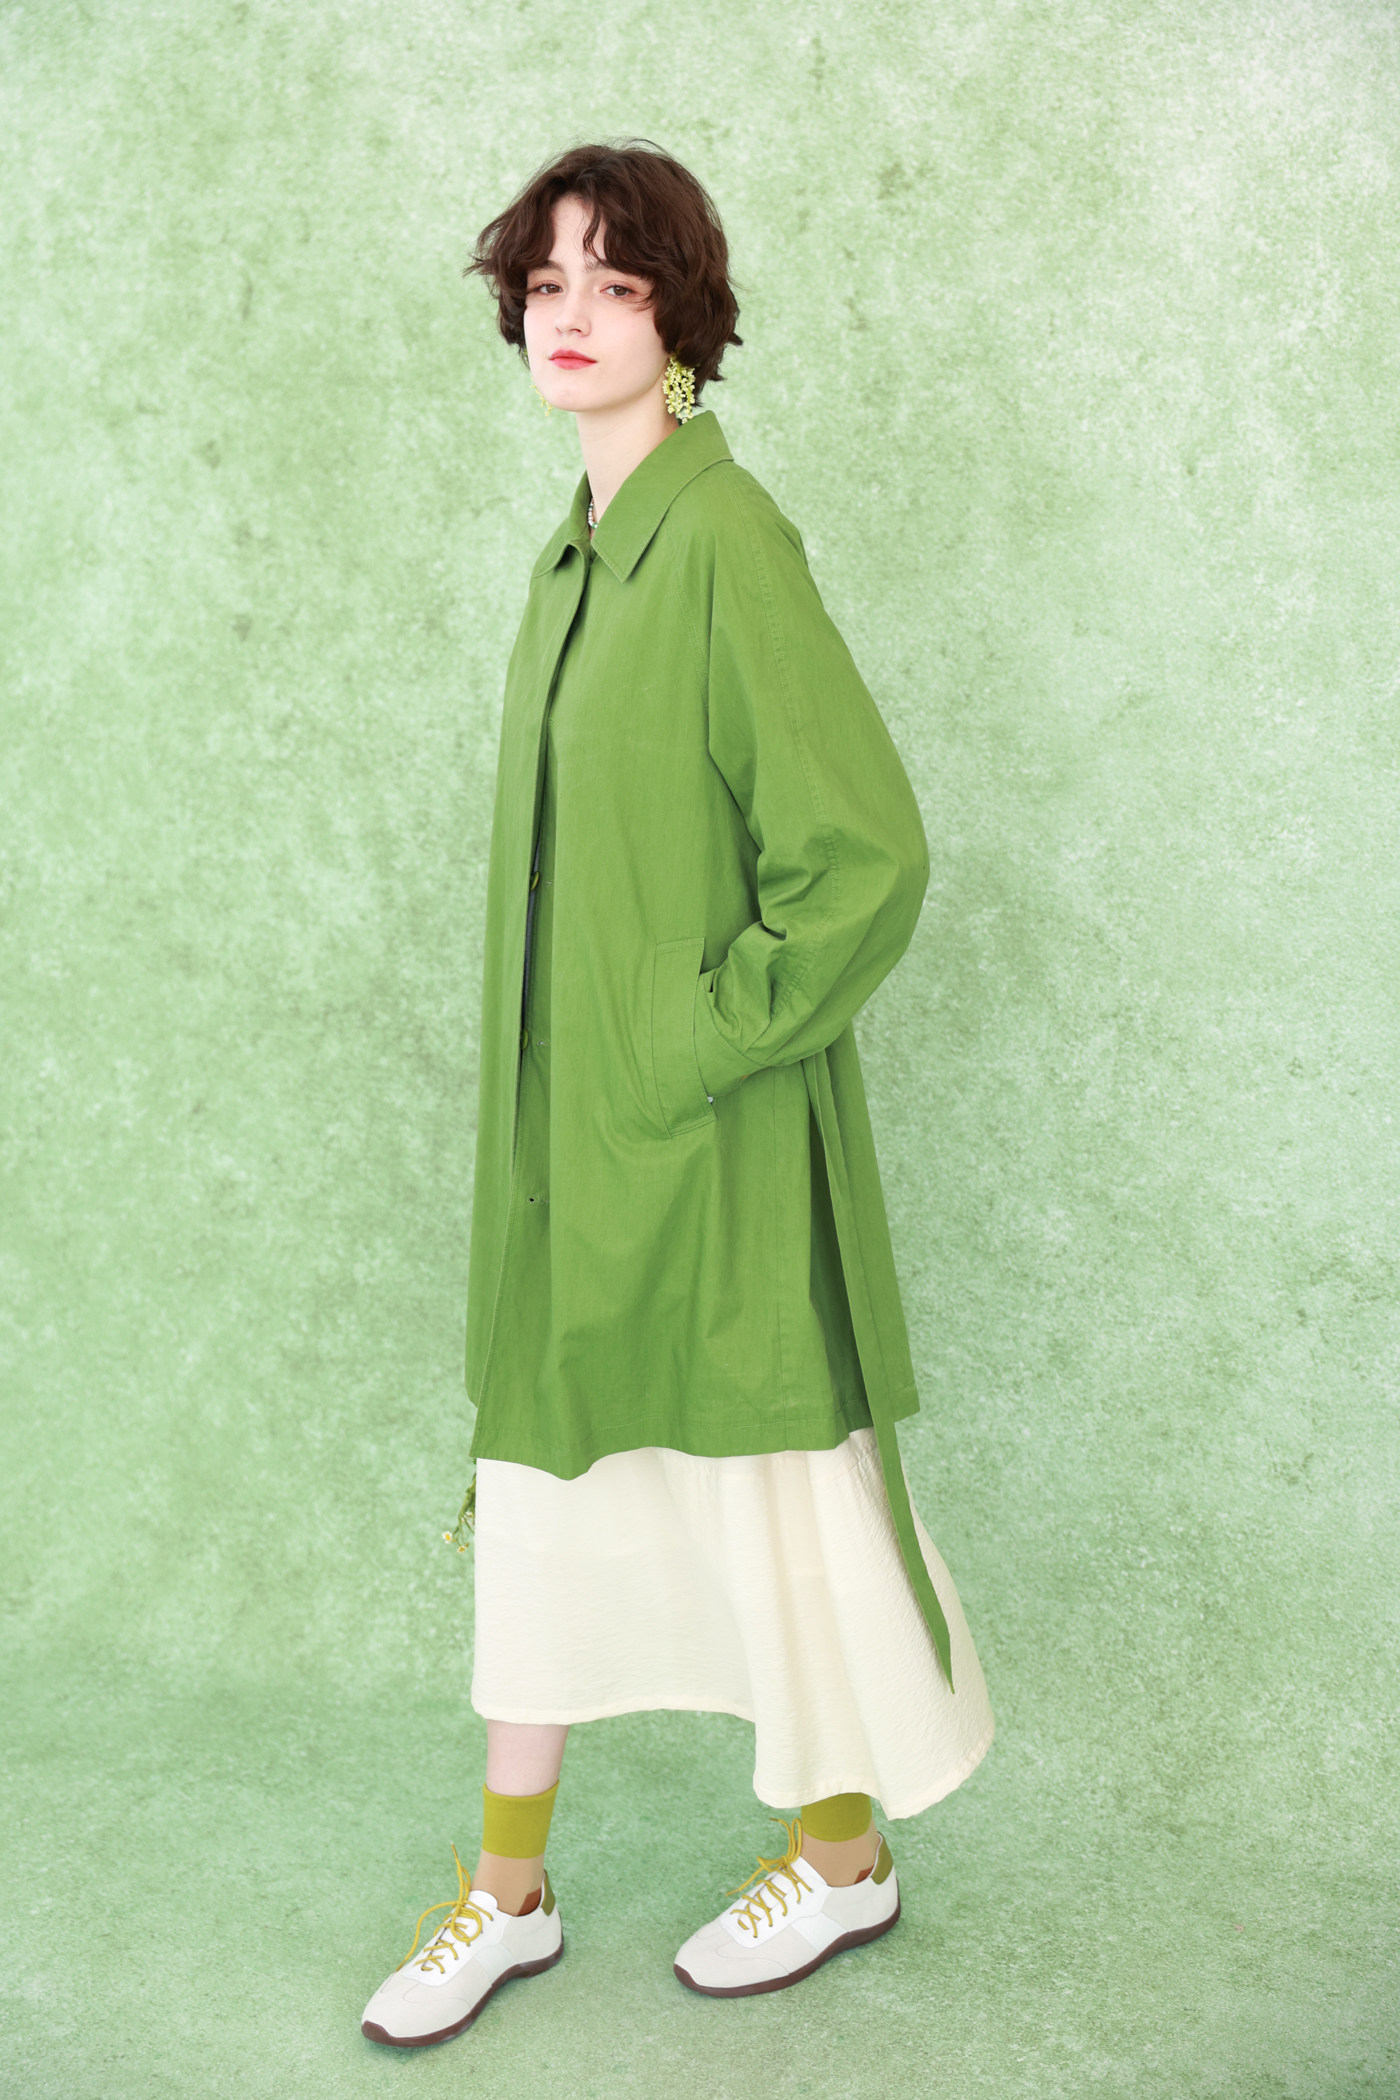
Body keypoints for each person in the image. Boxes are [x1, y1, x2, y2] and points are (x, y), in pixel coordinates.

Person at [361, 137, 994, 2051]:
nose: (568, 313)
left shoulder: (724, 539)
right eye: (544, 281)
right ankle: (506, 1892)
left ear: (682, 321)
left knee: (771, 1506)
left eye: (614, 282)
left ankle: (844, 1853)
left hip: (711, 1150)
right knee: (542, 1497)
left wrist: (692, 1037)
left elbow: (864, 857)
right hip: (566, 1162)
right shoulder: (574, 553)